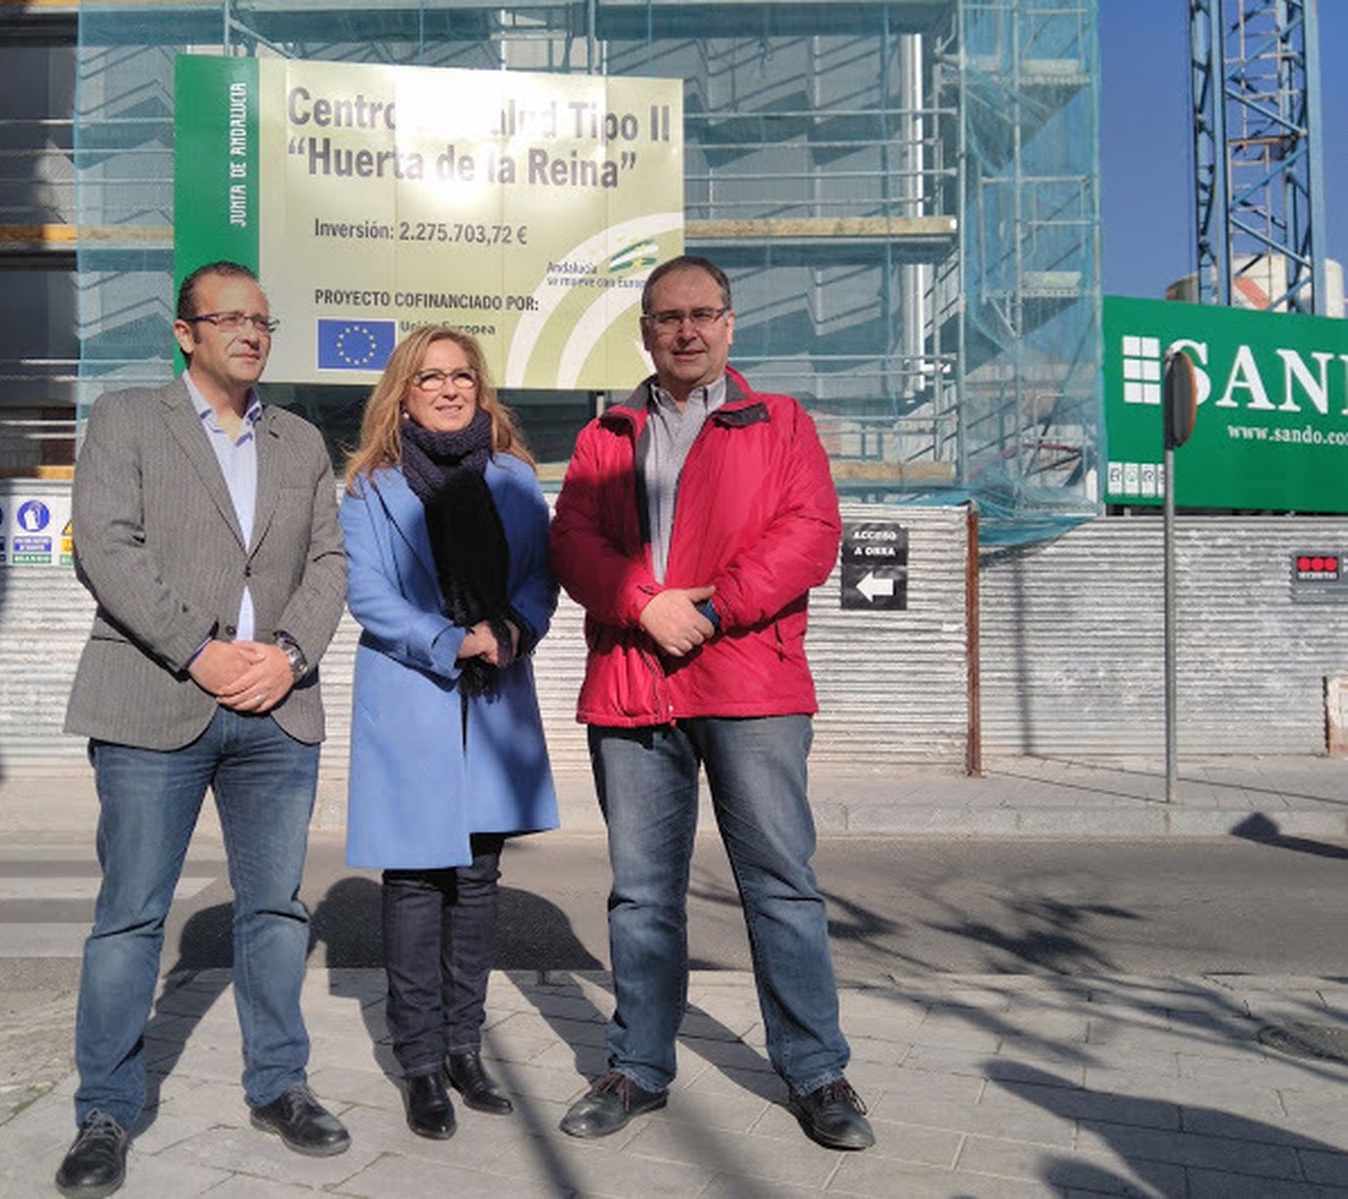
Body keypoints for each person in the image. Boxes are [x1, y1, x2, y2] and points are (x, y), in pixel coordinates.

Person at [549, 255, 874, 1151]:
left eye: (702, 313)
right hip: (634, 680)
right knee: (642, 896)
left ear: (730, 324)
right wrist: (642, 603)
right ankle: (636, 1066)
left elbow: (810, 532)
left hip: (749, 682)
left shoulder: (781, 422)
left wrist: (715, 606)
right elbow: (570, 539)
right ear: (645, 331)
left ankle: (817, 1072)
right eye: (666, 317)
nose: (685, 330)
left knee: (780, 885)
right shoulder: (605, 435)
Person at [55, 260, 349, 1198]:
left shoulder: (301, 440)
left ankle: (280, 1084)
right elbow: (105, 546)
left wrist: (290, 653)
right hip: (154, 703)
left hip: (276, 711)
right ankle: (106, 1108)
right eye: (231, 318)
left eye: (263, 319)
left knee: (275, 912)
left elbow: (331, 562)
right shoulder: (127, 419)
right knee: (131, 917)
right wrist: (202, 651)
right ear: (185, 332)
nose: (252, 333)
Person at [339, 325, 558, 1140]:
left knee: (477, 879)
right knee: (417, 881)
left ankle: (467, 1047)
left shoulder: (512, 475)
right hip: (416, 692)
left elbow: (542, 574)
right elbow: (369, 595)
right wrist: (449, 638)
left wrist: (513, 625)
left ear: (480, 384)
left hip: (494, 691)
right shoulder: (370, 486)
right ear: (404, 388)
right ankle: (420, 1063)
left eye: (462, 374)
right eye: (430, 376)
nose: (448, 387)